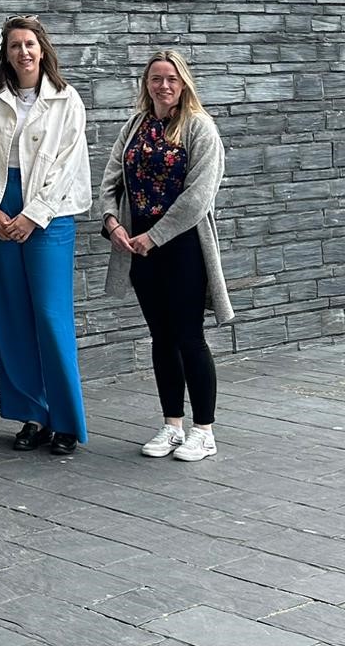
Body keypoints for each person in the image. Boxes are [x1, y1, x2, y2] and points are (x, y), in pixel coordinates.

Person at [0, 15, 91, 456]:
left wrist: (33, 214)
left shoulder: (66, 99)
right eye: (15, 45)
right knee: (11, 315)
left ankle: (66, 422)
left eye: (30, 44)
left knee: (50, 317)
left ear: (43, 49)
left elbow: (66, 165)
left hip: (49, 215)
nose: (23, 52)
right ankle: (32, 415)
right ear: (7, 53)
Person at [99, 49, 231, 462]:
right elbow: (110, 179)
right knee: (161, 338)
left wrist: (154, 236)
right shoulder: (135, 125)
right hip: (139, 249)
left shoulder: (199, 127)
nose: (164, 85)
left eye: (171, 78)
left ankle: (204, 431)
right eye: (156, 78)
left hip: (183, 248)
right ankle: (172, 425)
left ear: (184, 82)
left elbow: (199, 196)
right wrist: (112, 223)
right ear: (146, 84)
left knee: (189, 336)